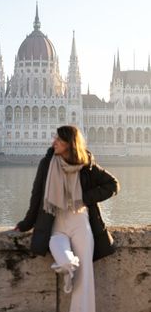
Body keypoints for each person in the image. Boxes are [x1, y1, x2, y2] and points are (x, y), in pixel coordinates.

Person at [15, 125, 120, 312]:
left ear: (69, 144)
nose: (53, 142)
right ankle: (68, 270)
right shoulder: (47, 164)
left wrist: (84, 198)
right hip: (56, 225)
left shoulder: (86, 165)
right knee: (65, 261)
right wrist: (26, 223)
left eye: (59, 140)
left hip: (81, 222)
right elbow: (37, 195)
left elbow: (113, 185)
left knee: (85, 278)